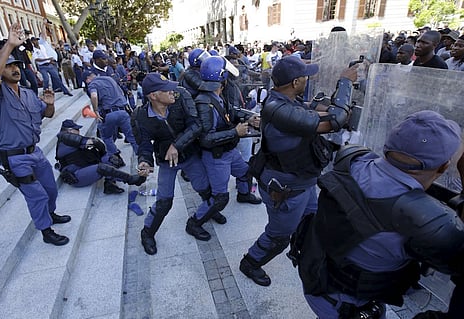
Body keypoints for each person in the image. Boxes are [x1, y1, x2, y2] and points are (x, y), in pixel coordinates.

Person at [289, 110, 464, 318]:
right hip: (345, 306)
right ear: (444, 166)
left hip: (316, 275)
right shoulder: (424, 221)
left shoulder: (352, 159)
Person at [239, 56, 358, 286]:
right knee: (278, 236)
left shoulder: (286, 100)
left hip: (302, 183)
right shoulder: (277, 108)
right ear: (295, 82)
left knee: (310, 220)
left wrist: (326, 105)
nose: (307, 79)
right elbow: (335, 120)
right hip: (286, 189)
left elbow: (314, 110)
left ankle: (303, 252)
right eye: (305, 76)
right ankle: (251, 263)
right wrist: (345, 83)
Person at [0, 23, 71, 246]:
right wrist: (10, 44)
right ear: (3, 70)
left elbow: (47, 115)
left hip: (36, 152)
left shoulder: (29, 94)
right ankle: (45, 230)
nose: (14, 69)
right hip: (15, 157)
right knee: (37, 195)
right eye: (9, 66)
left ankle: (50, 214)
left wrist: (50, 104)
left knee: (51, 190)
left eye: (17, 66)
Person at [132, 73, 225, 255]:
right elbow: (143, 144)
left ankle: (203, 216)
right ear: (154, 95)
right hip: (167, 162)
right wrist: (144, 162)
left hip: (189, 154)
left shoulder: (181, 97)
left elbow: (197, 125)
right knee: (164, 202)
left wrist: (177, 145)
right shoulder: (140, 117)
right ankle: (147, 233)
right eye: (166, 90)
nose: (172, 92)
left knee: (206, 190)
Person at [195, 56, 262, 223]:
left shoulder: (216, 95)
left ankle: (244, 194)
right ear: (222, 77)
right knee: (220, 198)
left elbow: (230, 112)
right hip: (217, 156)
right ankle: (194, 223)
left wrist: (249, 118)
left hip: (228, 151)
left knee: (246, 172)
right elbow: (206, 139)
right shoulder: (204, 103)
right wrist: (235, 132)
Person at [55, 119, 146, 194]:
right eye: (76, 129)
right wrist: (94, 143)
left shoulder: (70, 140)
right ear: (70, 130)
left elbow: (96, 146)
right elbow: (85, 141)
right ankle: (131, 179)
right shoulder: (64, 140)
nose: (79, 131)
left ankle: (109, 185)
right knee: (101, 168)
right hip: (76, 176)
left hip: (83, 167)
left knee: (110, 159)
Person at [84, 70, 138, 167]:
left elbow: (94, 96)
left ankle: (117, 159)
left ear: (88, 79)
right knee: (132, 137)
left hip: (108, 113)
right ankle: (142, 159)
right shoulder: (109, 79)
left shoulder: (93, 84)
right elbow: (121, 91)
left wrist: (95, 110)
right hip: (123, 111)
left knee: (107, 137)